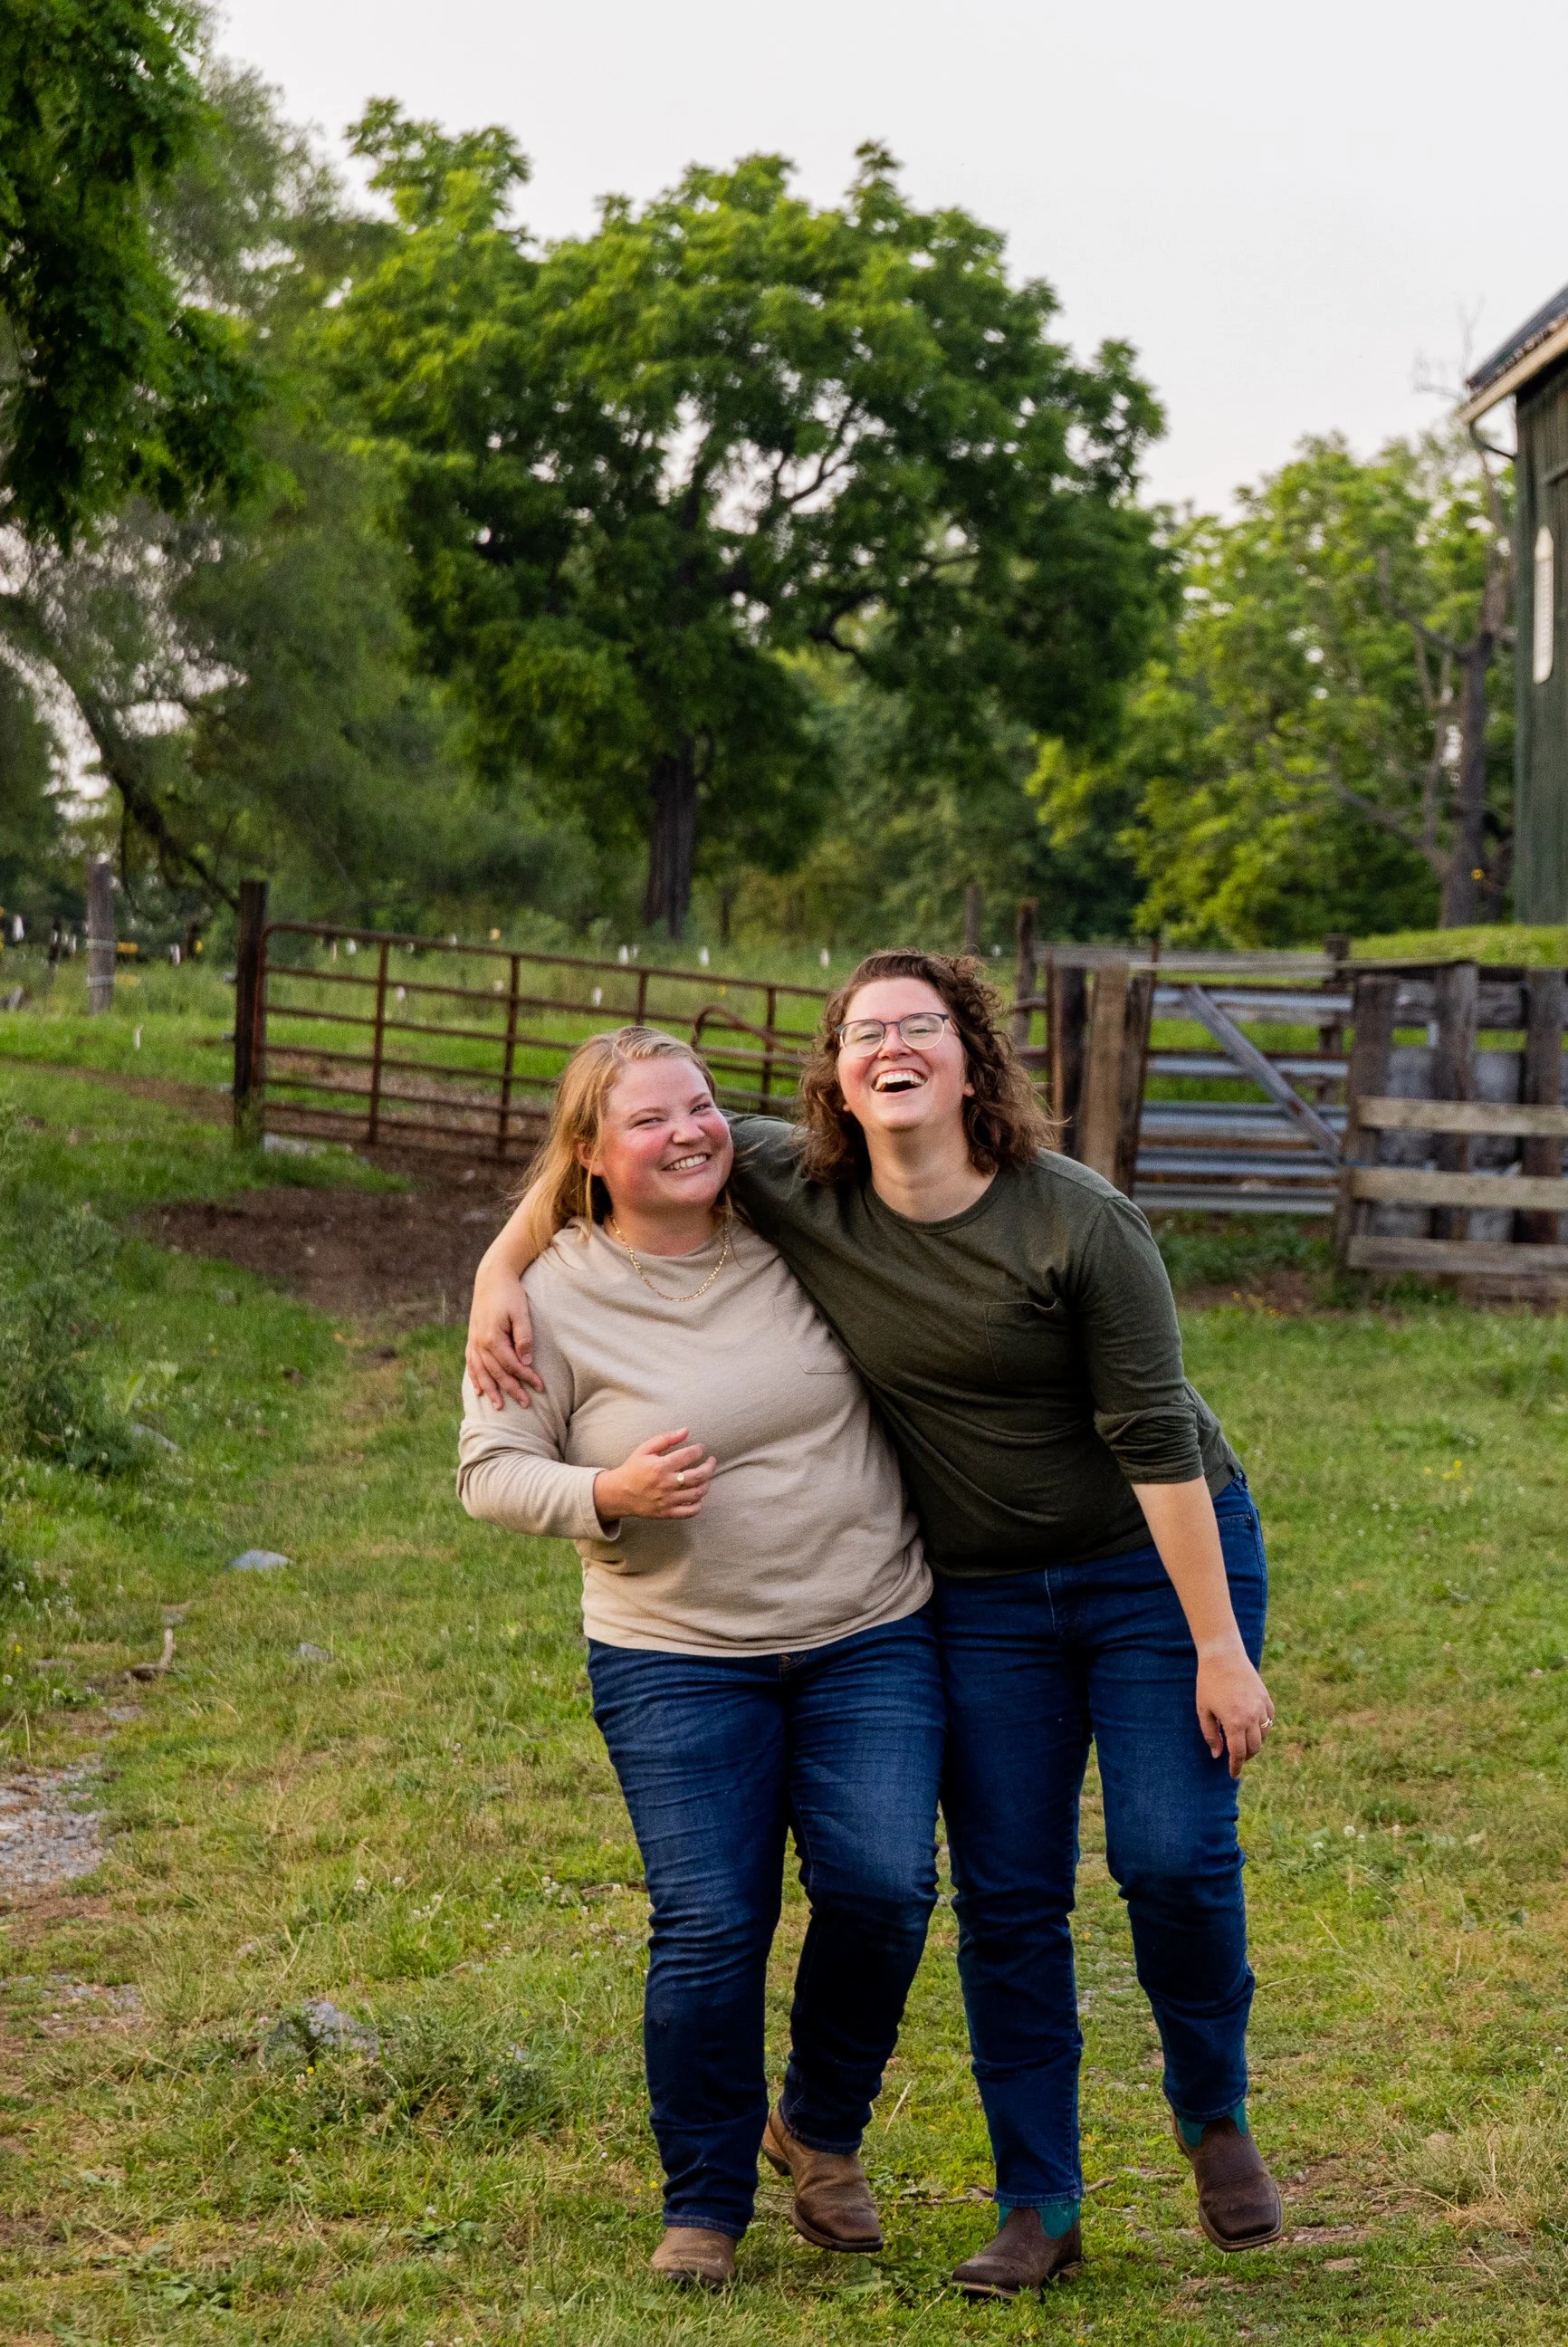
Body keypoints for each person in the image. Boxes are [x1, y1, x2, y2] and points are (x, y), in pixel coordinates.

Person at [468, 952, 1282, 2300]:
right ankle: (1040, 2204)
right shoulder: (798, 1182)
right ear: (837, 1077)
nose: (892, 1047)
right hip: (973, 1592)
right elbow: (601, 1147)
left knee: (1169, 1855)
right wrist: (502, 1266)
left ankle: (1213, 2116)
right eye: (864, 1033)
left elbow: (1155, 1436)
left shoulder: (1077, 1222)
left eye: (922, 1026)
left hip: (1150, 1563)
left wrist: (1216, 1644)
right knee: (1006, 1898)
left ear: (974, 1058)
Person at [455, 1026, 942, 2291]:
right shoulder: (549, 1297)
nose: (690, 1134)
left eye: (703, 1107)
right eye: (651, 1121)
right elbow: (488, 1472)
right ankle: (705, 2202)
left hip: (867, 1627)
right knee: (713, 1923)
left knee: (886, 1890)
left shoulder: (796, 1218)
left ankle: (819, 2131)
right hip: (675, 1653)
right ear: (590, 1156)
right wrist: (605, 1489)